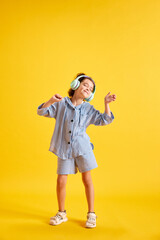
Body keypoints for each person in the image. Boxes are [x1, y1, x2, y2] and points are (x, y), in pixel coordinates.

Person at [37, 73, 116, 228]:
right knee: (61, 180)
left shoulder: (88, 108)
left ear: (91, 95)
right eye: (85, 84)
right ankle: (61, 213)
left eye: (91, 88)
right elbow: (41, 111)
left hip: (83, 148)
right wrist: (52, 100)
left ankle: (91, 214)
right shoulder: (61, 104)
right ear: (75, 84)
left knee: (87, 180)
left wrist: (106, 104)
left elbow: (105, 120)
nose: (88, 88)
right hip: (64, 148)